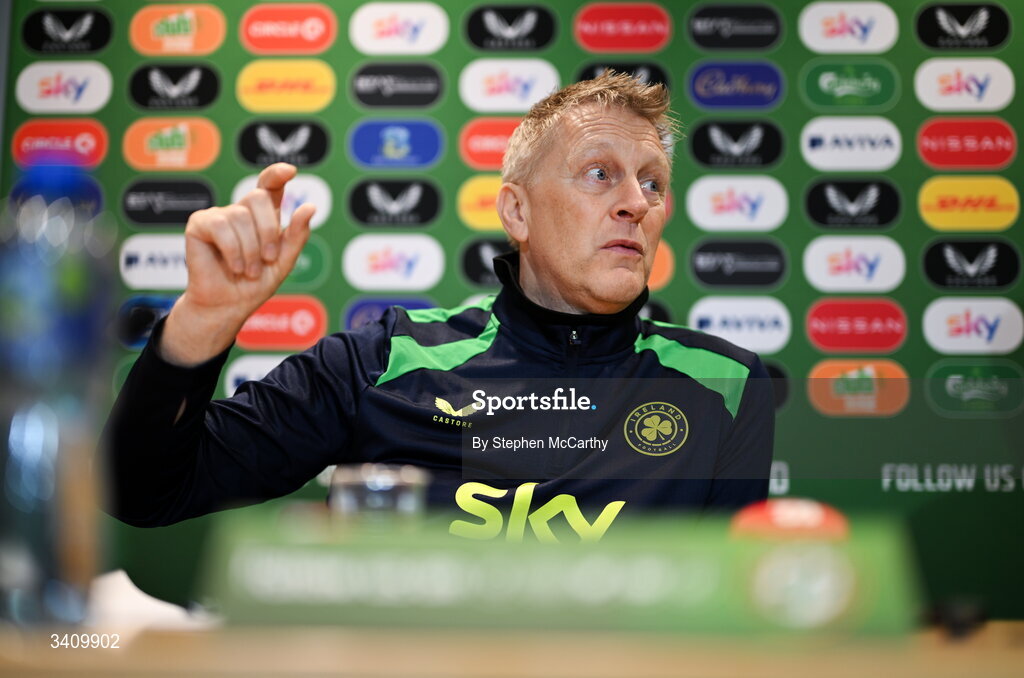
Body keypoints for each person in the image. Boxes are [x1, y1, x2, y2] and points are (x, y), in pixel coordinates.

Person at [103, 72, 774, 540]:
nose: (636, 200)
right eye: (600, 173)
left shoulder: (727, 386)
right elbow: (143, 492)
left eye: (653, 181)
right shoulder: (381, 361)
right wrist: (201, 325)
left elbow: (725, 623)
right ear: (517, 210)